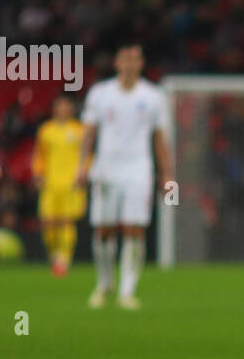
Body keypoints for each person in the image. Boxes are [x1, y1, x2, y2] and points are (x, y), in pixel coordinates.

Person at [76, 43, 173, 309]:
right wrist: (80, 167)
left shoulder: (154, 96)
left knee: (133, 228)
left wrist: (168, 175)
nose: (130, 64)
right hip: (105, 169)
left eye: (135, 59)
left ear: (141, 64)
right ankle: (104, 283)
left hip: (138, 169)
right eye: (125, 59)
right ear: (117, 63)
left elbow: (160, 139)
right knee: (104, 230)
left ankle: (127, 290)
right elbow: (88, 134)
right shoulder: (100, 93)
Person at [31, 95, 85, 276]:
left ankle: (64, 259)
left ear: (71, 109)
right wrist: (38, 173)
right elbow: (39, 155)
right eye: (59, 106)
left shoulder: (79, 130)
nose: (63, 109)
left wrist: (83, 172)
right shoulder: (46, 131)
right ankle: (54, 255)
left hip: (71, 184)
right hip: (50, 183)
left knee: (66, 221)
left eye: (66, 106)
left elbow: (87, 155)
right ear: (54, 109)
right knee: (48, 222)